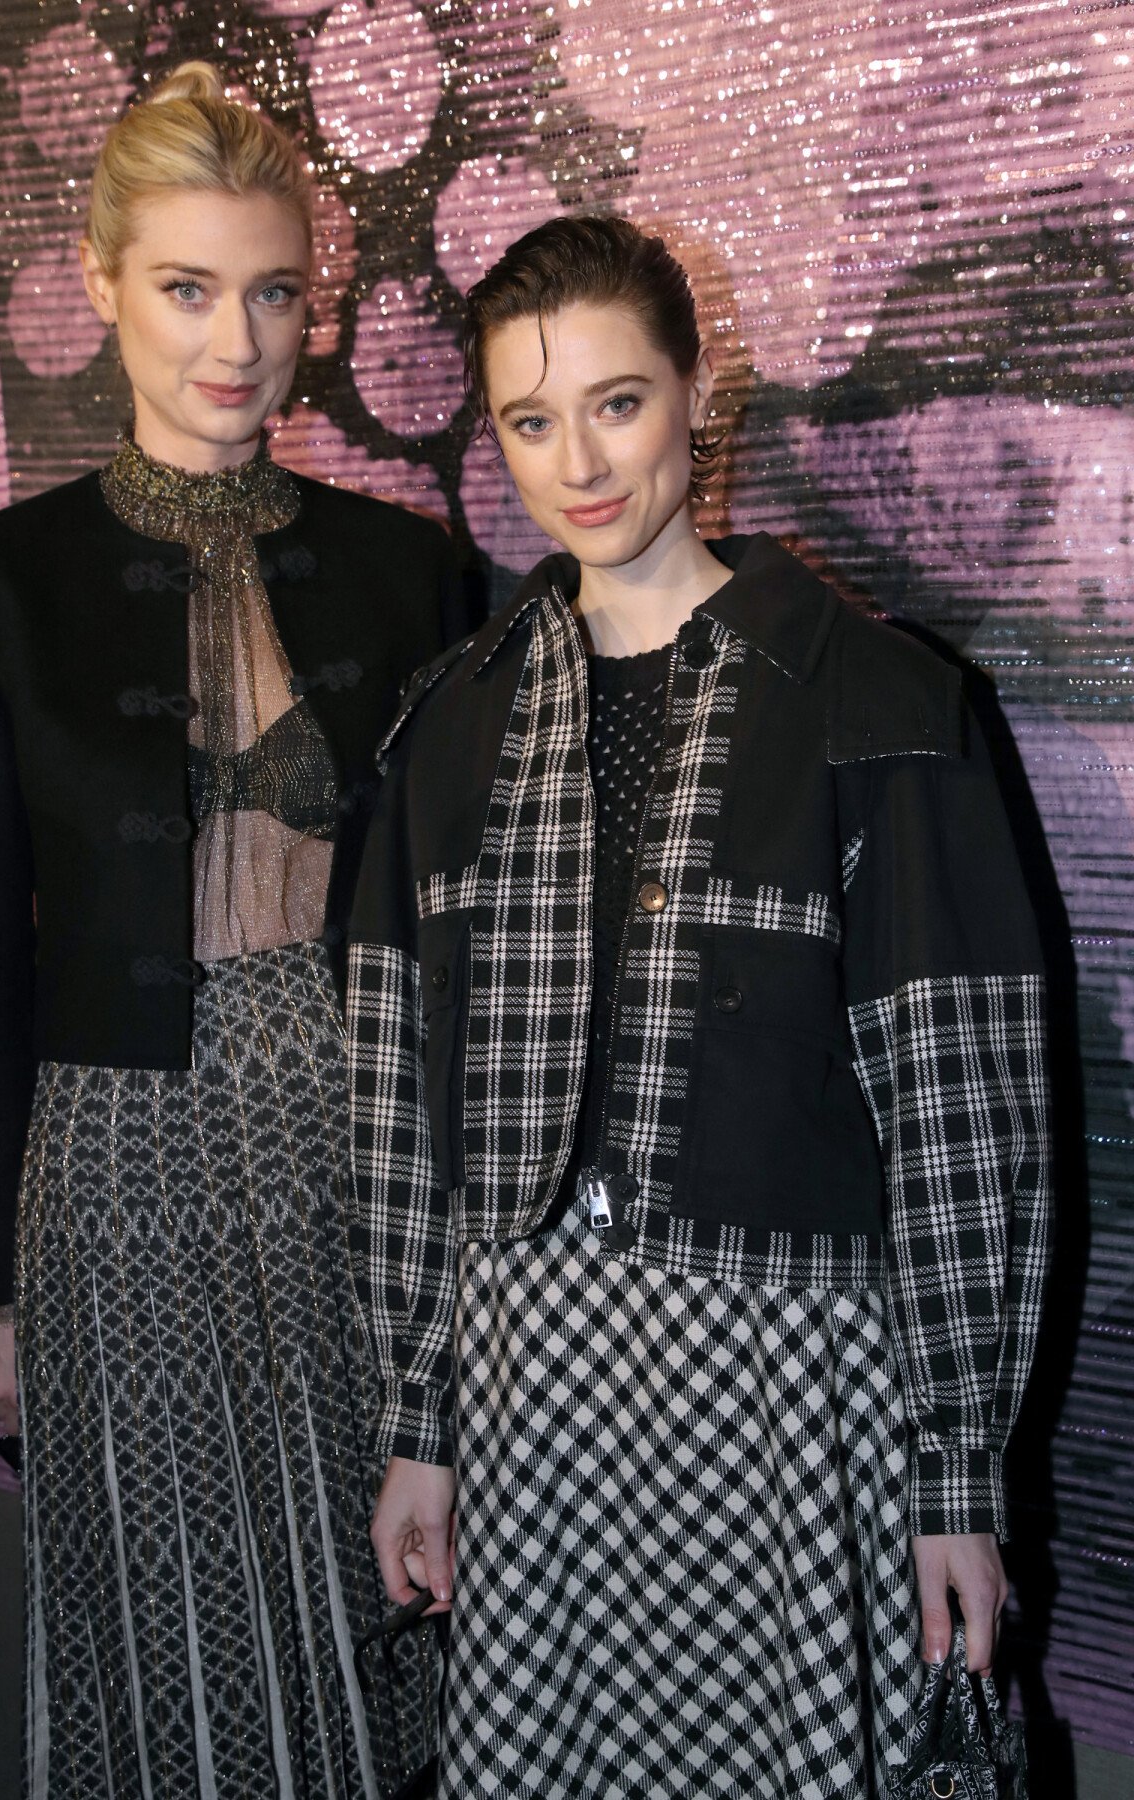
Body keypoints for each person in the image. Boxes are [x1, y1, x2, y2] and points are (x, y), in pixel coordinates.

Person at [344, 216, 1051, 1798]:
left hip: (789, 1395)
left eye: (618, 402)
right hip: (533, 1393)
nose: (578, 464)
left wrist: (954, 1473)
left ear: (694, 391)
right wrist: (419, 1420)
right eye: (530, 420)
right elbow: (398, 1116)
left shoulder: (876, 702)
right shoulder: (444, 731)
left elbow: (960, 1118)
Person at [0, 62, 464, 1800]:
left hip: (351, 1156)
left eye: (272, 290)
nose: (235, 340)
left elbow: (451, 941)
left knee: (369, 1595)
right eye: (185, 286)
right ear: (99, 284)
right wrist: (0, 1295)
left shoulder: (411, 575)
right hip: (111, 1174)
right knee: (160, 1616)